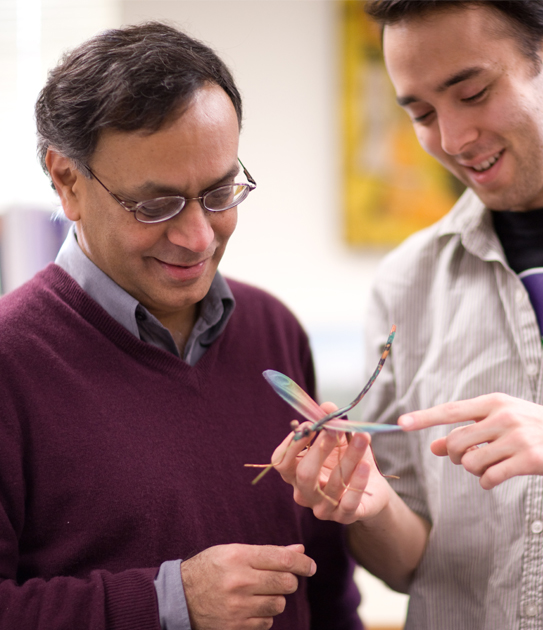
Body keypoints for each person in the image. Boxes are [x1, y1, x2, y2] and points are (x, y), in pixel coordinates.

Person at [272, 1, 543, 628]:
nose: (453, 141)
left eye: (474, 93)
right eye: (422, 113)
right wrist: (368, 506)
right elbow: (410, 564)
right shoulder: (407, 282)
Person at [0, 21, 361, 630]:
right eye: (156, 205)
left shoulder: (274, 331)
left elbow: (324, 588)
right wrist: (172, 601)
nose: (197, 238)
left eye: (220, 193)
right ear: (67, 181)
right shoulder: (12, 361)